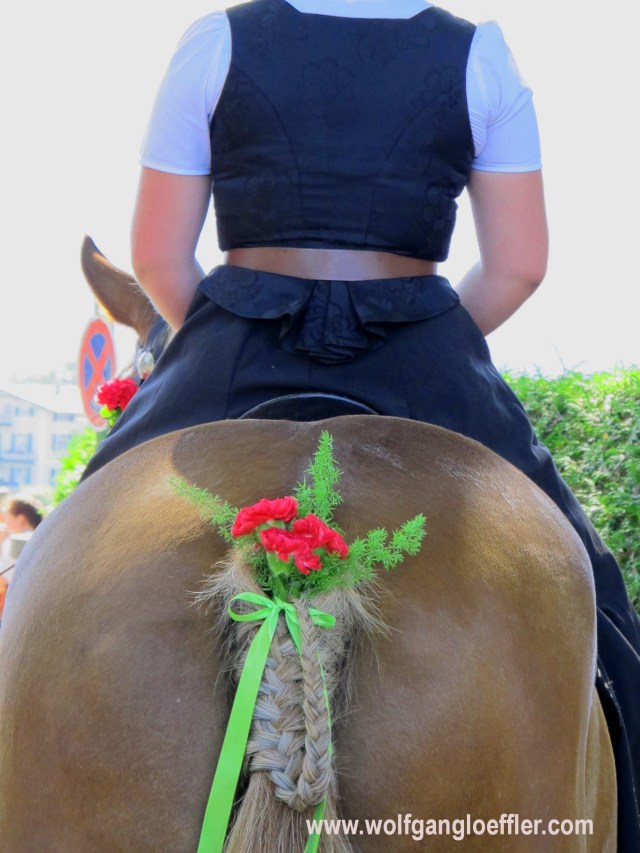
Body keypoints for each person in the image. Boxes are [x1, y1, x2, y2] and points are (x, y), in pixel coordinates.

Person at [80, 0, 640, 844]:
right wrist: (427, 339)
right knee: (599, 607)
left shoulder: (216, 39)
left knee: (78, 543)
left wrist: (239, 332)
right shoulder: (478, 53)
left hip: (235, 339)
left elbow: (158, 255)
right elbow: (520, 264)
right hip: (420, 349)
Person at [0, 496, 44, 621]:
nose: (5, 524)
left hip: (12, 617)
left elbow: (1, 581)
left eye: (8, 518)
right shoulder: (41, 540)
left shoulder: (16, 542)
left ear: (21, 519)